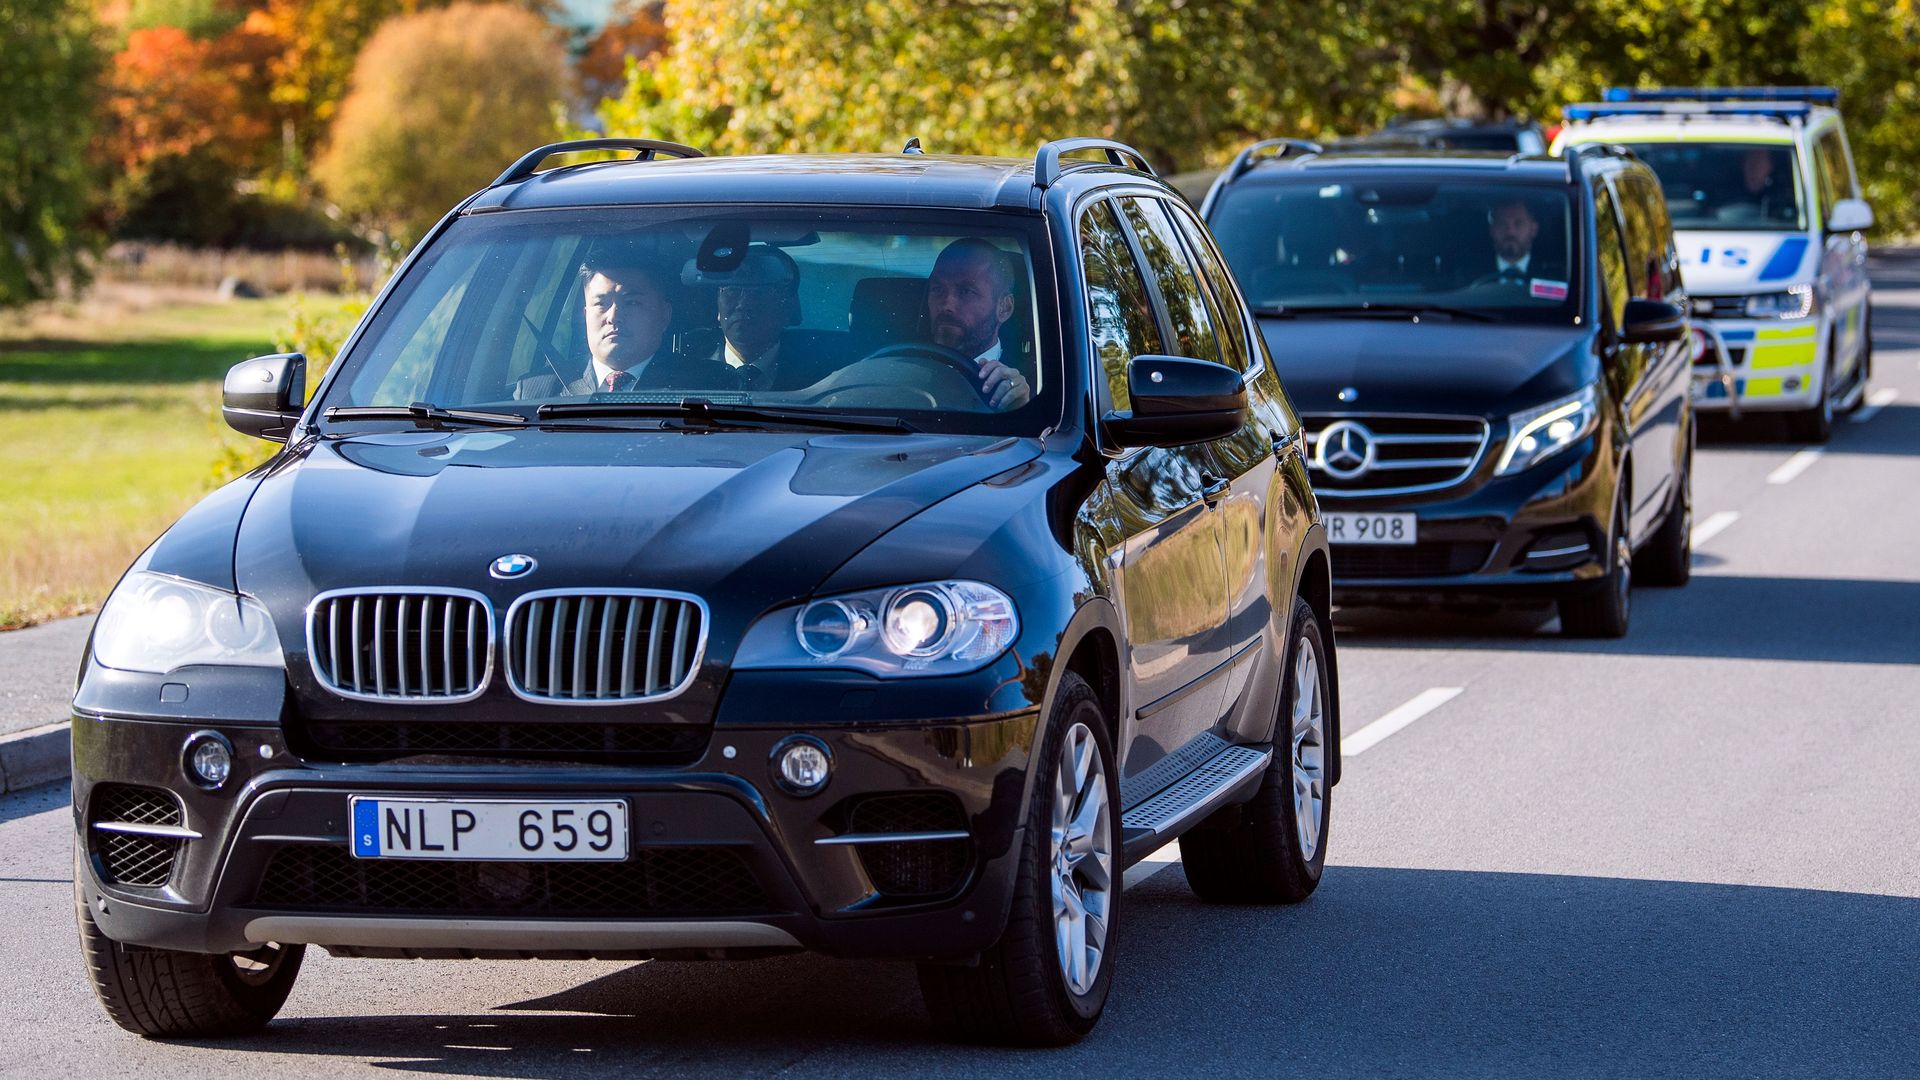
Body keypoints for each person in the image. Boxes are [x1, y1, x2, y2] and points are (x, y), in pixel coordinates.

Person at [514, 244, 736, 399]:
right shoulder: (536, 391)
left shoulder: (711, 386)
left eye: (631, 303)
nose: (613, 317)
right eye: (601, 304)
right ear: (585, 313)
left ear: (664, 315)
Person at [926, 238, 1032, 411]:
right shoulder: (896, 372)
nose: (947, 305)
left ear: (1004, 308)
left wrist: (1021, 410)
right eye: (938, 289)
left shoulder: (1042, 386)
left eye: (966, 292)